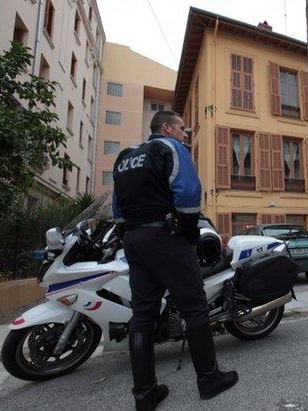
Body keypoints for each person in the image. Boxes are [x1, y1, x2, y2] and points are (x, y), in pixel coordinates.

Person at [113, 111, 238, 410]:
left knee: (142, 315)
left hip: (134, 238)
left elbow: (117, 204)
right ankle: (209, 379)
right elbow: (188, 192)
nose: (186, 134)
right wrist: (187, 233)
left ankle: (144, 393)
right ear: (167, 128)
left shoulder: (126, 156)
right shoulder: (169, 148)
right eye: (182, 128)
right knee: (194, 307)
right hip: (165, 237)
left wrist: (127, 231)